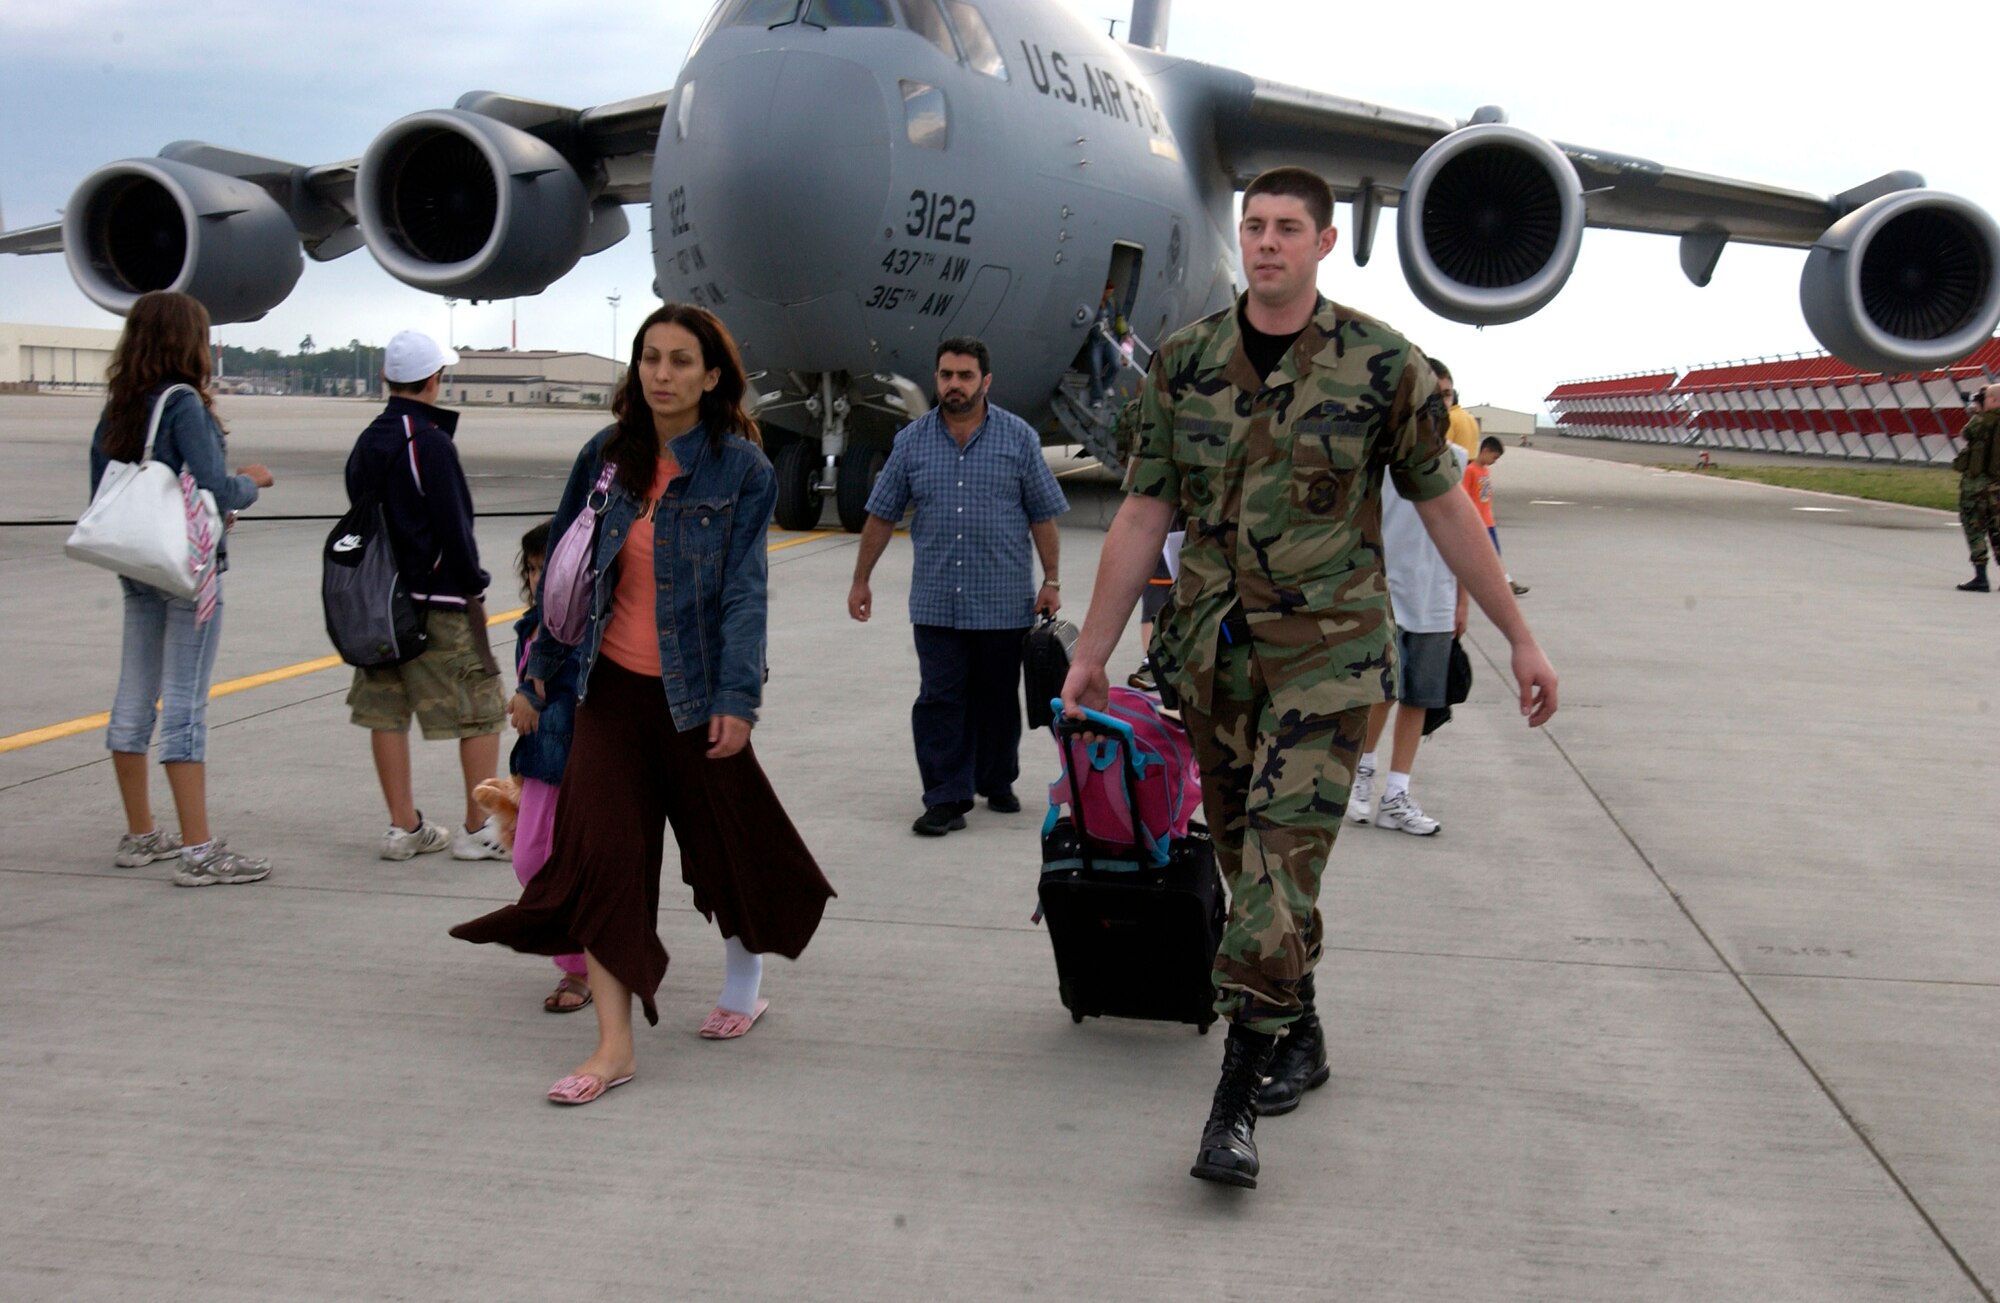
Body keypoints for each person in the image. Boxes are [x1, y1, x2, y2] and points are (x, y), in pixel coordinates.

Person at [1057, 166, 1558, 1190]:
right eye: (1253, 226)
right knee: (1249, 869)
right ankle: (1306, 1029)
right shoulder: (1185, 363)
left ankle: (1235, 1101)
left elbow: (1444, 505)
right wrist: (1089, 649)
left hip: (1330, 660)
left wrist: (1514, 632)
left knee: (1282, 865)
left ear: (1323, 244)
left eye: (1288, 228)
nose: (1266, 242)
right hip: (1211, 654)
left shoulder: (1380, 365)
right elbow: (1143, 514)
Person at [453, 303, 834, 1106]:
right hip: (608, 694)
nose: (661, 374)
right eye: (649, 358)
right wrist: (539, 674)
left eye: (680, 361)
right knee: (603, 863)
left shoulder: (743, 471)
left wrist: (737, 696)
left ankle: (743, 978)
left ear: (713, 375)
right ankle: (615, 1045)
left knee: (724, 843)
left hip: (696, 697)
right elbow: (564, 569)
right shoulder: (605, 455)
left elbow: (743, 594)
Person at [847, 337, 1069, 835]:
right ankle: (945, 796)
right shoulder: (911, 442)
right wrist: (861, 580)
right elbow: (881, 516)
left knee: (995, 698)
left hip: (1003, 602)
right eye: (946, 375)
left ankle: (995, 778)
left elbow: (1043, 516)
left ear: (985, 382)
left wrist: (1051, 580)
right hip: (936, 602)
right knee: (939, 699)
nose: (954, 385)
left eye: (965, 376)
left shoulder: (1018, 439)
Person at [90, 291, 276, 887]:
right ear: (190, 343)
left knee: (133, 695)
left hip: (136, 560)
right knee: (185, 704)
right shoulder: (184, 405)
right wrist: (250, 483)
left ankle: (141, 833)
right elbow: (216, 486)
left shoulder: (120, 406)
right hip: (189, 570)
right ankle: (199, 850)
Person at [343, 329, 509, 862]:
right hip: (434, 601)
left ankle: (403, 826)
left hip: (376, 603)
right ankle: (479, 825)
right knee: (480, 709)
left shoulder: (369, 440)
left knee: (385, 711)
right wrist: (473, 587)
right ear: (435, 380)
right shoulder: (430, 442)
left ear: (388, 378)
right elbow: (453, 525)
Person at [1348, 433, 1472, 837]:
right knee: (1381, 692)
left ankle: (1396, 795)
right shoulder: (1377, 455)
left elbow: (1469, 532)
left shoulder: (1458, 459)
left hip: (1435, 596)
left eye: (1446, 397)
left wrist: (1462, 599)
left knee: (1419, 697)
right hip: (1385, 592)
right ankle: (1361, 774)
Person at [504, 522, 591, 1012]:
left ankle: (581, 969)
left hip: (575, 761)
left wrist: (534, 705)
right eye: (533, 570)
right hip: (541, 764)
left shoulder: (578, 626)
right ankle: (580, 958)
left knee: (560, 861)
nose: (538, 580)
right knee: (531, 860)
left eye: (547, 568)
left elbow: (576, 692)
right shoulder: (531, 624)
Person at [1464, 435, 1530, 596]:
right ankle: (1505, 584)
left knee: (1493, 555)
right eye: (1494, 457)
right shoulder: (1470, 471)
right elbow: (1464, 497)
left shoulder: (1485, 470)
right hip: (1478, 523)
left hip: (1488, 521)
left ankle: (1503, 583)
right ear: (1485, 451)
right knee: (1490, 556)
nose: (1494, 461)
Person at [1952, 383, 1999, 592]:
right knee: (1998, 530)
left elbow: (1966, 433)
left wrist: (1977, 410)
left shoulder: (1982, 421)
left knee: (1975, 528)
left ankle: (1981, 577)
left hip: (1977, 486)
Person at [1427, 357, 1482, 460]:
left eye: (1446, 394)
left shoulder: (1452, 418)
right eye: (1431, 392)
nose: (1441, 402)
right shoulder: (1470, 418)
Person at [1087, 281, 1122, 408]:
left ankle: (1105, 385)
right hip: (1097, 340)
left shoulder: (1112, 303)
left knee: (1116, 364)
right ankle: (1097, 398)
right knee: (1096, 368)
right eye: (1108, 292)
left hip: (1109, 338)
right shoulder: (1094, 303)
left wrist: (1124, 331)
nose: (1110, 295)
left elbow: (1119, 317)